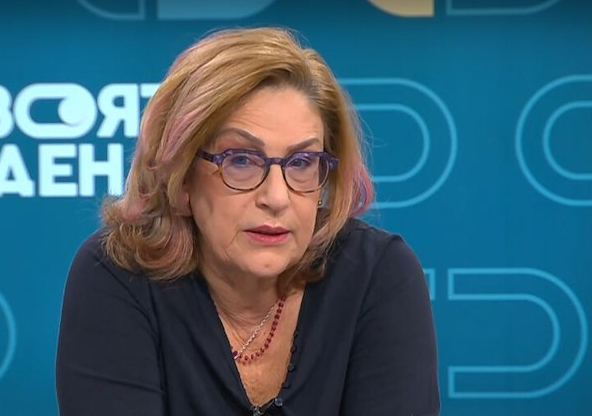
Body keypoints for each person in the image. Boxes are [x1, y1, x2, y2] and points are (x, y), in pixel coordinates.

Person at [56, 26, 440, 416]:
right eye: (240, 160)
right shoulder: (119, 274)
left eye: (302, 163)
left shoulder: (375, 274)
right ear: (181, 178)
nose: (276, 197)